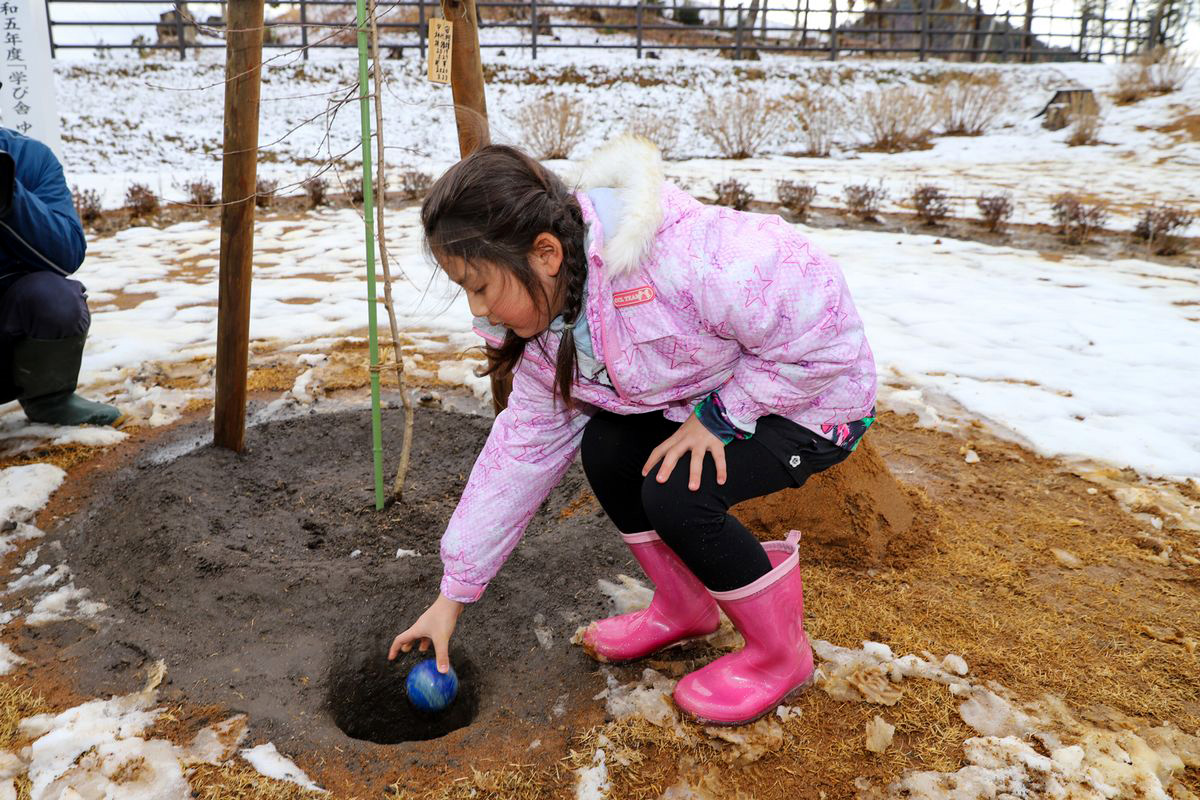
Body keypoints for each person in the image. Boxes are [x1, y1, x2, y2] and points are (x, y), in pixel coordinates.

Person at [389, 136, 876, 726]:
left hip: (811, 403)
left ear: (544, 253)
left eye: (482, 286)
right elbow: (521, 452)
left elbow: (825, 335)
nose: (480, 310)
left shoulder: (688, 258)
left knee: (679, 492)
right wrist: (452, 597)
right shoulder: (554, 324)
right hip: (710, 399)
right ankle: (684, 609)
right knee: (610, 448)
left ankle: (780, 656)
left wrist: (721, 418)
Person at [0, 127, 119, 427]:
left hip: (7, 325)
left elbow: (66, 253)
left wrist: (9, 196)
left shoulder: (30, 157)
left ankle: (50, 399)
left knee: (55, 298)